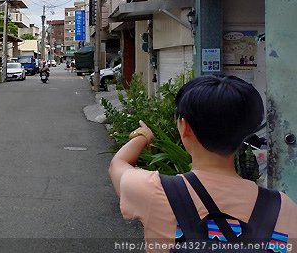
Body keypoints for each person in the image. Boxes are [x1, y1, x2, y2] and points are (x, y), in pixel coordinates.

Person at [109, 75, 297, 252]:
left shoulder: (155, 192)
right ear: (247, 133)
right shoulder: (283, 207)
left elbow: (118, 164)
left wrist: (143, 136)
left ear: (185, 127)